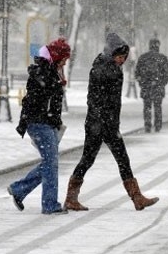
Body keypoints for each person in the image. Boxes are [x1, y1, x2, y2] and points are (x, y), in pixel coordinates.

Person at [63, 33, 159, 211]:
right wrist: (105, 121)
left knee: (102, 159)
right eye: (120, 57)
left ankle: (136, 198)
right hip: (100, 124)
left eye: (124, 57)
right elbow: (96, 99)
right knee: (102, 159)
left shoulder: (108, 67)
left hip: (103, 123)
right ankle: (72, 198)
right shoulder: (104, 69)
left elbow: (109, 100)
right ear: (112, 53)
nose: (122, 60)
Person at [7, 38, 71, 215]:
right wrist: (56, 84)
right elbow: (36, 100)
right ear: (57, 56)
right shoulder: (43, 72)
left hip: (46, 123)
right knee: (51, 163)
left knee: (50, 163)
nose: (66, 62)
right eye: (64, 58)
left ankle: (19, 189)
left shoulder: (52, 72)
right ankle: (49, 204)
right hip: (39, 123)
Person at [134, 38, 168, 133]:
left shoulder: (143, 58)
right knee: (158, 106)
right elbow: (167, 73)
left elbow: (137, 72)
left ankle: (147, 125)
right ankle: (158, 125)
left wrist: (142, 83)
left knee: (147, 106)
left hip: (146, 87)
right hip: (158, 87)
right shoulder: (163, 58)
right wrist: (162, 83)